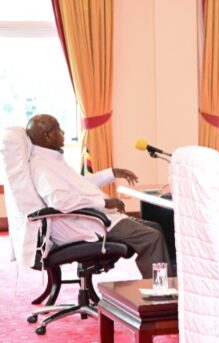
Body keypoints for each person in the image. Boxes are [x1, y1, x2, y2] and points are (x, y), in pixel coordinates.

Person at [26, 114, 172, 279]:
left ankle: (170, 282)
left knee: (156, 228)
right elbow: (61, 201)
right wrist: (104, 203)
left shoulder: (53, 160)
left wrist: (112, 173)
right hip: (86, 224)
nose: (63, 132)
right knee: (151, 238)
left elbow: (81, 184)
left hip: (94, 217)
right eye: (59, 129)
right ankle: (160, 291)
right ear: (47, 136)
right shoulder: (42, 167)